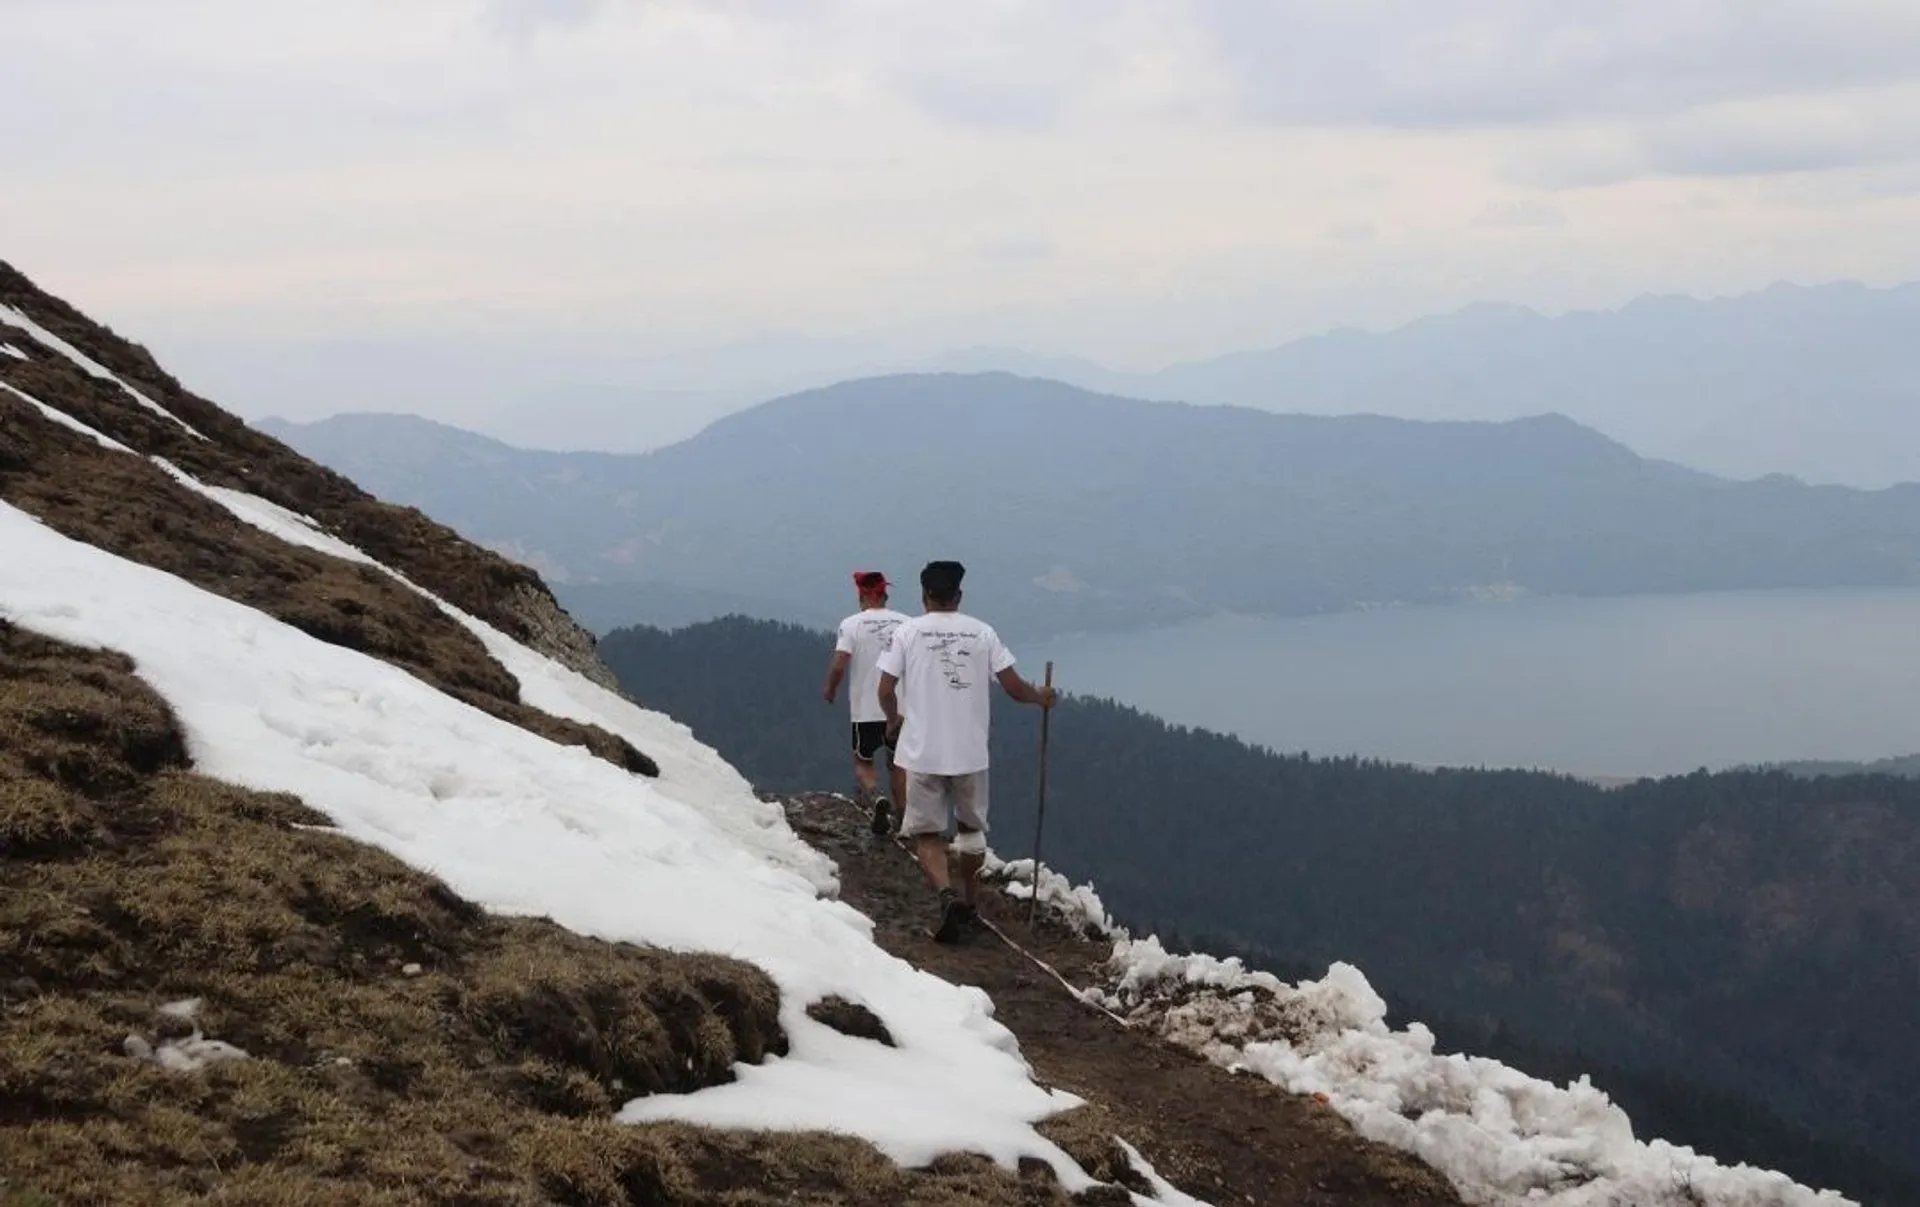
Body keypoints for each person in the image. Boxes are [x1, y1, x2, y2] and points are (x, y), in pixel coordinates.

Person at [876, 559, 1057, 942]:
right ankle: (971, 904)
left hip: (922, 752)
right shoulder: (982, 634)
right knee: (971, 831)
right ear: (958, 595)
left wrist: (893, 721)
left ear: (924, 597)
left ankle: (946, 896)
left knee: (927, 833)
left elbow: (884, 689)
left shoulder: (907, 633)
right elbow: (1012, 687)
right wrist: (1040, 698)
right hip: (970, 753)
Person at [822, 569, 911, 834]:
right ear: (885, 595)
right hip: (900, 707)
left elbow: (839, 663)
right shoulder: (907, 624)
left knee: (863, 761)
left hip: (866, 709)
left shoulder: (852, 624)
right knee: (898, 762)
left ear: (861, 596)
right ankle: (903, 816)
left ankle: (875, 796)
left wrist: (830, 688)